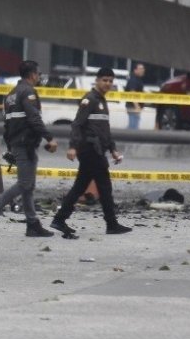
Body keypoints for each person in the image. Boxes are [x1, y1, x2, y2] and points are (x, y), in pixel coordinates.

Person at [0, 60, 64, 238]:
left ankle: (33, 224)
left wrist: (11, 147)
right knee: (25, 184)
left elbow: (7, 124)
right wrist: (49, 137)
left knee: (28, 186)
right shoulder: (28, 92)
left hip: (18, 143)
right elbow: (34, 119)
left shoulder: (10, 94)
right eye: (38, 74)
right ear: (32, 74)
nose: (39, 77)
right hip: (25, 144)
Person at [49, 67, 132, 235]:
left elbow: (104, 130)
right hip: (89, 150)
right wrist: (73, 147)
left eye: (110, 81)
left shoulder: (102, 101)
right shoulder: (90, 100)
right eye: (104, 80)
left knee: (80, 187)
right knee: (105, 187)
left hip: (97, 149)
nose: (107, 83)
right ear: (97, 80)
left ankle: (59, 219)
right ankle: (111, 224)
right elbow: (77, 124)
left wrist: (113, 150)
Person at [125, 63, 146, 130]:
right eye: (140, 69)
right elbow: (132, 93)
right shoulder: (133, 80)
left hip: (135, 107)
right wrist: (137, 106)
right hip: (133, 107)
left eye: (143, 69)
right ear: (135, 70)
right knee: (133, 128)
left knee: (133, 126)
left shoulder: (138, 79)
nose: (142, 70)